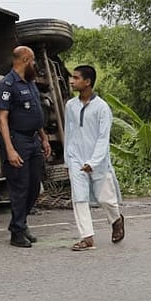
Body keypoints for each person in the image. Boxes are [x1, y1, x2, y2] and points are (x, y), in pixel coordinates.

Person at [63, 65, 124, 251]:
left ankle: (116, 219)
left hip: (98, 161)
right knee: (79, 198)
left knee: (106, 199)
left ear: (87, 82)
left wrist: (93, 162)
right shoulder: (70, 106)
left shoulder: (102, 108)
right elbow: (69, 133)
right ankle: (87, 238)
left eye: (76, 78)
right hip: (76, 159)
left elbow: (103, 138)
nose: (72, 81)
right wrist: (69, 159)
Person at [0, 46, 51, 248]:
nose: (35, 64)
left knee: (34, 186)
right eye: (33, 60)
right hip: (17, 139)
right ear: (26, 59)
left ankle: (20, 223)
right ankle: (17, 232)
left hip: (33, 139)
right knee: (20, 187)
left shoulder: (30, 83)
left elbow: (36, 113)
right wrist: (10, 149)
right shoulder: (7, 85)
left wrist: (44, 138)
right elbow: (2, 119)